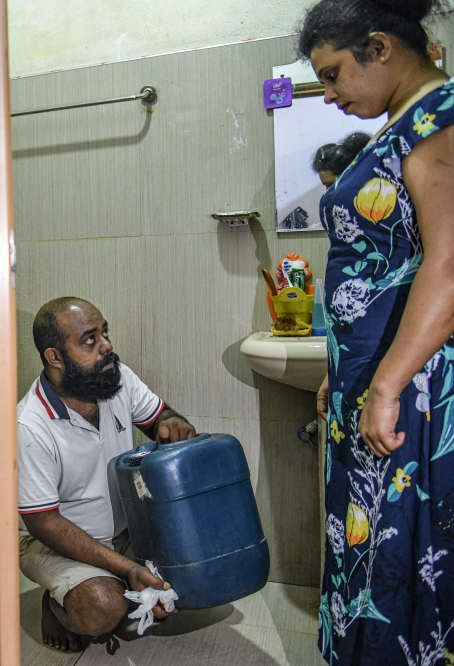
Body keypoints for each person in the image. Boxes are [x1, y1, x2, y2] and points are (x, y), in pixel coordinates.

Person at [299, 0, 454, 663]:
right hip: (372, 378)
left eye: (334, 75)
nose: (329, 94)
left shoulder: (437, 120)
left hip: (411, 387)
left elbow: (448, 263)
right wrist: (343, 371)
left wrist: (388, 383)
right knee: (362, 544)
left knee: (397, 547)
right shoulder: (399, 126)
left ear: (381, 47)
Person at [17, 297, 197, 652]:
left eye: (105, 333)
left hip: (125, 532)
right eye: (89, 340)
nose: (107, 346)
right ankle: (57, 605)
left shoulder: (115, 379)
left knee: (195, 576)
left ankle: (117, 584)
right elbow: (43, 523)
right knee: (102, 608)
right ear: (54, 357)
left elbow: (159, 418)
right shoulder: (29, 426)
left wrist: (172, 423)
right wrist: (128, 569)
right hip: (51, 544)